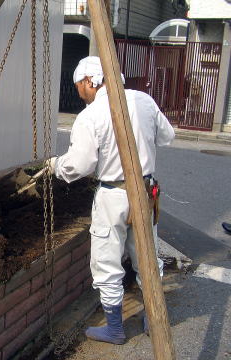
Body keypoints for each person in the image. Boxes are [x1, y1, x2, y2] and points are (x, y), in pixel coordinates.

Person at [47, 56, 175, 344]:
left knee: (107, 260)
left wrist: (55, 165)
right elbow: (168, 135)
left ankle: (115, 328)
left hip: (114, 195)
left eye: (79, 85)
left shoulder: (90, 116)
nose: (79, 92)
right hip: (144, 191)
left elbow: (79, 166)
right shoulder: (143, 100)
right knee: (147, 256)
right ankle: (153, 319)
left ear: (90, 81)